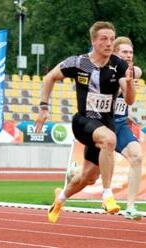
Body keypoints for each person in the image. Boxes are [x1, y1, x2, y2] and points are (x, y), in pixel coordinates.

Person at [35, 21, 135, 223]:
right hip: (83, 122)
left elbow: (130, 99)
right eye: (103, 39)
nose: (108, 43)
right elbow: (49, 78)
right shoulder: (79, 63)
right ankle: (107, 195)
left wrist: (131, 83)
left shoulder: (118, 65)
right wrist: (44, 107)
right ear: (93, 41)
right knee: (110, 140)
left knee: (88, 177)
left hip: (105, 124)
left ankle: (60, 198)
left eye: (111, 39)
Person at [113, 36, 143, 220]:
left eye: (131, 52)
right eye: (124, 52)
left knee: (137, 156)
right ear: (115, 53)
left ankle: (130, 207)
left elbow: (138, 70)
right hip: (102, 127)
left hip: (121, 125)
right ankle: (64, 193)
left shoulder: (131, 71)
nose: (129, 55)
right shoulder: (106, 71)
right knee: (88, 177)